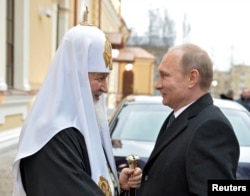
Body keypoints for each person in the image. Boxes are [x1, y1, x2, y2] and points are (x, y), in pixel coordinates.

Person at [12, 8, 141, 196]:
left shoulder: (81, 126)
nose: (105, 88)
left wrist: (116, 185)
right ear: (74, 76)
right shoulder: (52, 137)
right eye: (99, 78)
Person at [139, 43, 240, 196]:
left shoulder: (211, 128)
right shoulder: (178, 117)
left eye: (165, 76)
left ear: (192, 78)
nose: (157, 84)